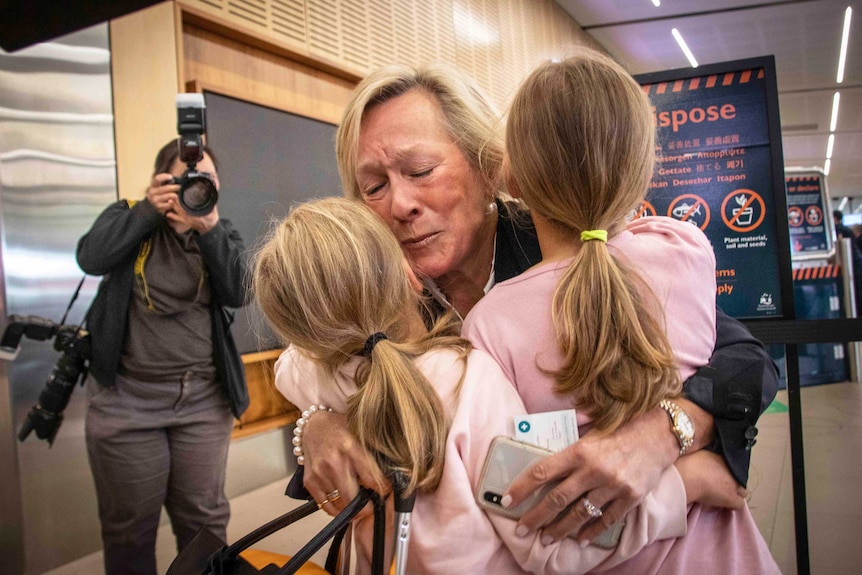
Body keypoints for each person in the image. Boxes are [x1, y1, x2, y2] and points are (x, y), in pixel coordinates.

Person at [293, 59, 778, 544]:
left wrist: (661, 433)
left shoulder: (573, 239)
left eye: (420, 170)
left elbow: (746, 362)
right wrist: (314, 426)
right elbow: (315, 367)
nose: (400, 205)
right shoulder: (377, 296)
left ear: (490, 166)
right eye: (374, 186)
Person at [255, 197, 747, 574]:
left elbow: (289, 369)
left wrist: (315, 417)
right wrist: (687, 484)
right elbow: (548, 541)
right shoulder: (468, 379)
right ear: (408, 274)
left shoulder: (312, 374)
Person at [462, 48, 778, 572]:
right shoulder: (685, 250)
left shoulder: (490, 324)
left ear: (511, 181)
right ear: (644, 169)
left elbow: (530, 513)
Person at [76, 140, 249, 575]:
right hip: (128, 401)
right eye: (186, 178)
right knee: (130, 530)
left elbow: (240, 291)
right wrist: (146, 212)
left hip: (202, 402)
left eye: (206, 178)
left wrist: (207, 228)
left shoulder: (220, 232)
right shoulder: (130, 216)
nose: (198, 185)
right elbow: (91, 257)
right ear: (161, 181)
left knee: (204, 524)